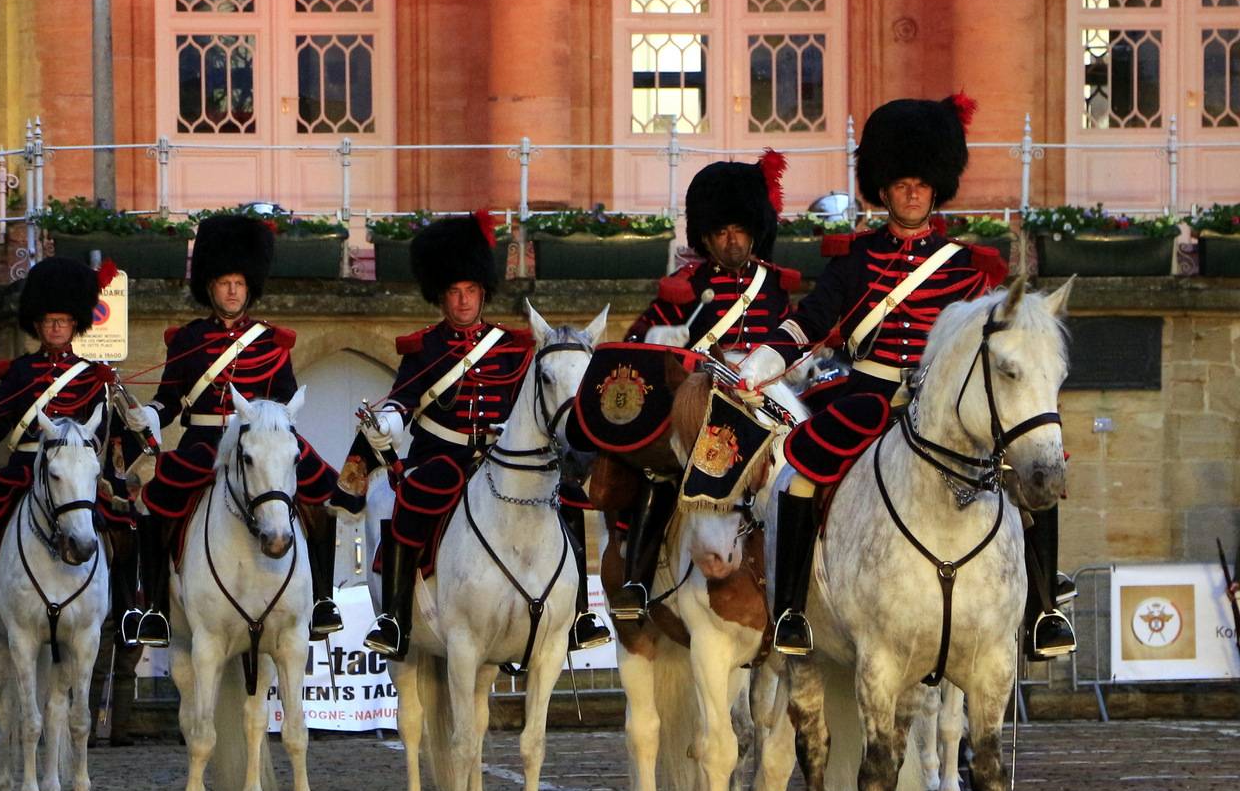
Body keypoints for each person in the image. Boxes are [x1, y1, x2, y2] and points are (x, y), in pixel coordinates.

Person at [737, 94, 1075, 660]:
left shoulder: (970, 268)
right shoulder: (854, 260)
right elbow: (811, 322)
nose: (912, 192)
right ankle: (793, 610)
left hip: (946, 404)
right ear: (883, 190)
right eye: (900, 184)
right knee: (801, 471)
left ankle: (1043, 610)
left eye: (921, 182)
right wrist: (765, 361)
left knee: (1039, 468)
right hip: (867, 395)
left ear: (936, 188)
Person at [357, 212, 609, 660]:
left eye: (470, 291)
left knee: (568, 496)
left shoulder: (510, 347)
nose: (463, 301)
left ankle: (579, 615)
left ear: (482, 292)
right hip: (441, 455)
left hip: (503, 456)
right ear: (441, 296)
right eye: (454, 292)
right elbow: (403, 398)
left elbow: (530, 404)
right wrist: (388, 423)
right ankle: (394, 617)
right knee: (418, 492)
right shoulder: (424, 347)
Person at [128, 214, 357, 645]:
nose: (232, 291)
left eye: (238, 283)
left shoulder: (272, 341)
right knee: (155, 504)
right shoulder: (187, 339)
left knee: (323, 498)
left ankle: (322, 601)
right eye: (223, 283)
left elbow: (288, 403)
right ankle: (155, 608)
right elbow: (169, 398)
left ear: (249, 287)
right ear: (210, 288)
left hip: (262, 442)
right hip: (204, 444)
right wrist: (153, 416)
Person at [605, 152, 797, 627]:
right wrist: (664, 344)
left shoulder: (775, 288)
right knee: (663, 475)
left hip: (769, 408)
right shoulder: (685, 289)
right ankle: (638, 578)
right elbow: (639, 344)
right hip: (705, 411)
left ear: (754, 231)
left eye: (739, 230)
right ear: (706, 237)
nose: (731, 241)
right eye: (720, 232)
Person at [0, 257, 125, 640]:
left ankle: (130, 609)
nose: (56, 326)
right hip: (25, 465)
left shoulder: (93, 375)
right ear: (37, 325)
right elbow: (0, 418)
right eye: (48, 320)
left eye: (63, 320)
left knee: (127, 522)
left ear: (76, 324)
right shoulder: (20, 372)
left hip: (76, 471)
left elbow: (104, 431)